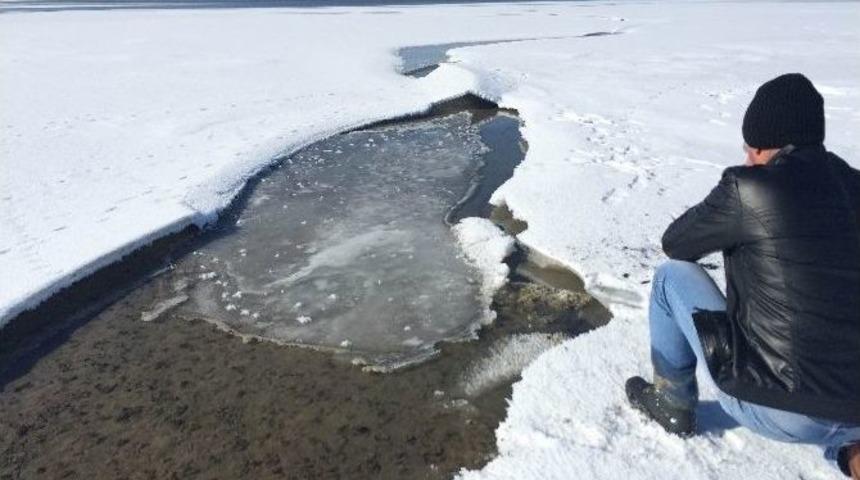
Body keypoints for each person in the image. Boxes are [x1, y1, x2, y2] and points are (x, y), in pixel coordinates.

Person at [624, 73, 860, 478]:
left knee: (670, 278)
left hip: (782, 406)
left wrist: (737, 201)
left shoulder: (749, 188)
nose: (749, 158)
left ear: (773, 146)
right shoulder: (853, 184)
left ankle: (673, 403)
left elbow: (677, 244)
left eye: (753, 150)